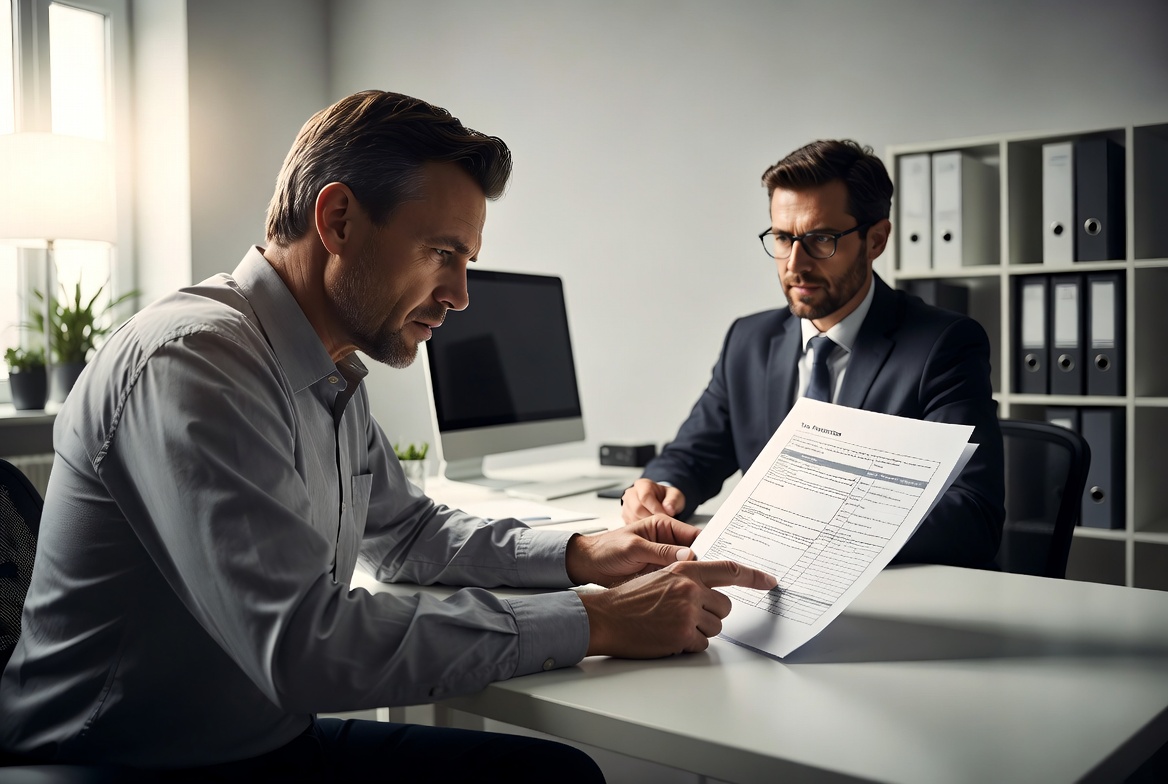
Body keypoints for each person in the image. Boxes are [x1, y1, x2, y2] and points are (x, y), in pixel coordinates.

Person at [0, 90, 777, 782]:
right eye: (442, 253)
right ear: (337, 219)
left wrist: (582, 554)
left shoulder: (326, 365)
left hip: (261, 742)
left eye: (467, 261)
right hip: (116, 764)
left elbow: (406, 536)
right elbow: (306, 646)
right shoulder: (196, 361)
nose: (462, 295)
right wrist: (599, 618)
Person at [622, 139, 1004, 568]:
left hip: (889, 594)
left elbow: (972, 516)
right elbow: (694, 454)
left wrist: (805, 529)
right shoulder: (748, 340)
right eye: (783, 238)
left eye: (821, 239)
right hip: (768, 589)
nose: (795, 264)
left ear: (875, 240)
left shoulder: (944, 345)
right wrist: (658, 487)